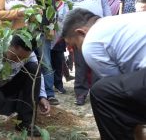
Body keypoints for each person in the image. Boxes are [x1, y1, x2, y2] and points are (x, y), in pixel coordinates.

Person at [61, 8, 146, 139]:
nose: (77, 50)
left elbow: (121, 102)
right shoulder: (118, 22)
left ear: (81, 32)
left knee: (101, 92)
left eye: (75, 46)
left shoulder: (92, 41)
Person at [64, 0, 111, 105]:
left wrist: (108, 23)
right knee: (80, 62)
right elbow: (66, 10)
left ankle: (99, 92)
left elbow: (105, 5)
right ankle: (81, 93)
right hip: (79, 32)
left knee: (99, 60)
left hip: (98, 29)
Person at [22, 0, 59, 105]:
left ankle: (49, 94)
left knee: (45, 61)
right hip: (24, 31)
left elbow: (52, 9)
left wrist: (48, 26)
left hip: (41, 30)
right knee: (25, 61)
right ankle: (27, 94)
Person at [50, 0, 72, 94]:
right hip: (48, 38)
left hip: (59, 39)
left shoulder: (65, 5)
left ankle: (58, 84)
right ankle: (48, 86)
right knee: (48, 63)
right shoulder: (47, 4)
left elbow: (67, 20)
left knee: (58, 62)